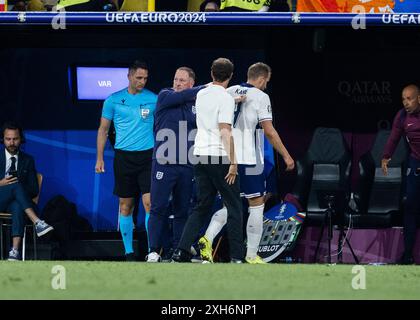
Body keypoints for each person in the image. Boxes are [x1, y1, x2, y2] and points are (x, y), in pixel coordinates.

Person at [199, 62, 295, 264]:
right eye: (266, 82)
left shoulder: (229, 90)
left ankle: (206, 239)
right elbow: (268, 130)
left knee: (231, 204)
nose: (266, 85)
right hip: (248, 159)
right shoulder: (261, 96)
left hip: (225, 156)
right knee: (256, 204)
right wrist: (286, 155)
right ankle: (251, 255)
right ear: (261, 79)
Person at [171, 57, 244, 263]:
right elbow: (224, 130)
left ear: (211, 73)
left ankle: (181, 251)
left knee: (202, 206)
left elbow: (213, 104)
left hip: (201, 156)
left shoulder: (201, 94)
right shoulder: (226, 98)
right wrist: (234, 162)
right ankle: (237, 257)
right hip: (220, 156)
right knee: (234, 207)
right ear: (230, 75)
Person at [95, 60, 157, 261]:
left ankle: (152, 251)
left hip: (147, 157)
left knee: (149, 203)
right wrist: (99, 158)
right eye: (139, 78)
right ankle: (129, 252)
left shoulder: (153, 99)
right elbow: (103, 130)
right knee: (125, 206)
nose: (142, 81)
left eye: (145, 78)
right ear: (129, 76)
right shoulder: (113, 100)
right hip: (123, 159)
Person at [146, 67, 205, 262]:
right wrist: (211, 87)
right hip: (164, 162)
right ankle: (154, 250)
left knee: (182, 210)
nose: (177, 83)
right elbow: (184, 95)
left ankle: (179, 250)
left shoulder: (197, 105)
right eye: (175, 79)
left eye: (181, 80)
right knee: (158, 207)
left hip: (187, 165)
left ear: (190, 83)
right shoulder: (165, 95)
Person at [0, 121, 53, 261]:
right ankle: (37, 222)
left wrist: (17, 190)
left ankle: (14, 251)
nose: (12, 142)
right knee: (15, 185)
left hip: (16, 204)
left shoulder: (28, 160)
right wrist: (2, 183)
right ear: (3, 139)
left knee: (18, 205)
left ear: (21, 139)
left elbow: (34, 190)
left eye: (15, 139)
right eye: (8, 139)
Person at [382, 84, 420, 265]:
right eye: (403, 99)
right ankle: (407, 255)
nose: (406, 103)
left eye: (409, 98)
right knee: (410, 207)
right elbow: (394, 137)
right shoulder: (403, 116)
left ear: (419, 98)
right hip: (415, 164)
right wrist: (386, 156)